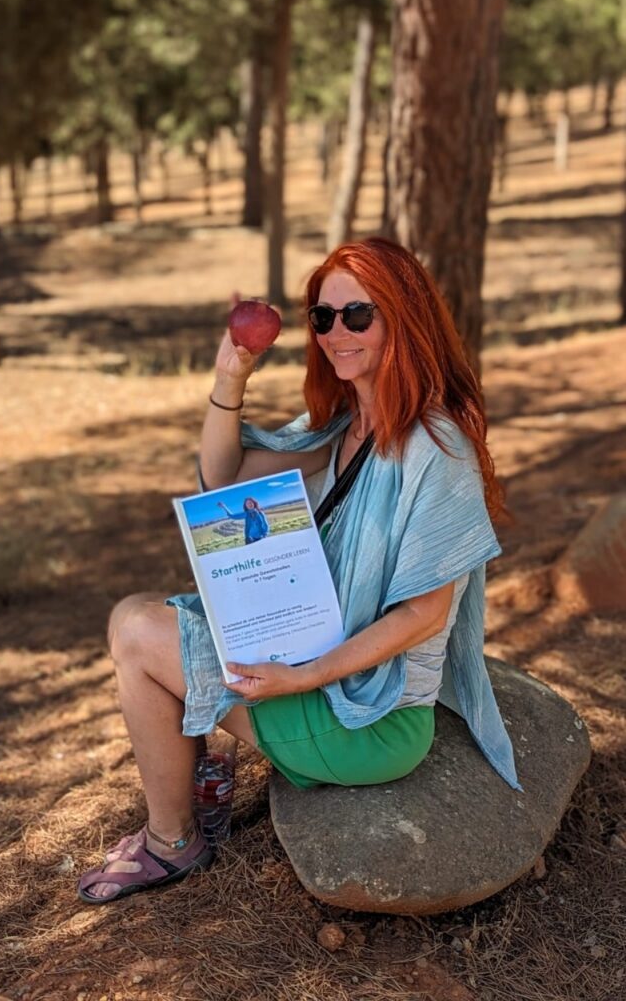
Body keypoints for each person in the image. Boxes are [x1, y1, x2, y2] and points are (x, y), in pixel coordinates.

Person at [76, 237, 519, 905]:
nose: (335, 332)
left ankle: (174, 841)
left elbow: (425, 612)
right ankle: (201, 787)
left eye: (356, 316)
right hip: (319, 673)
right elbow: (221, 481)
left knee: (138, 631)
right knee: (153, 617)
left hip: (370, 717)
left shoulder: (435, 447)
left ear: (402, 317)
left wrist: (300, 676)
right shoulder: (343, 428)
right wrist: (231, 378)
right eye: (321, 317)